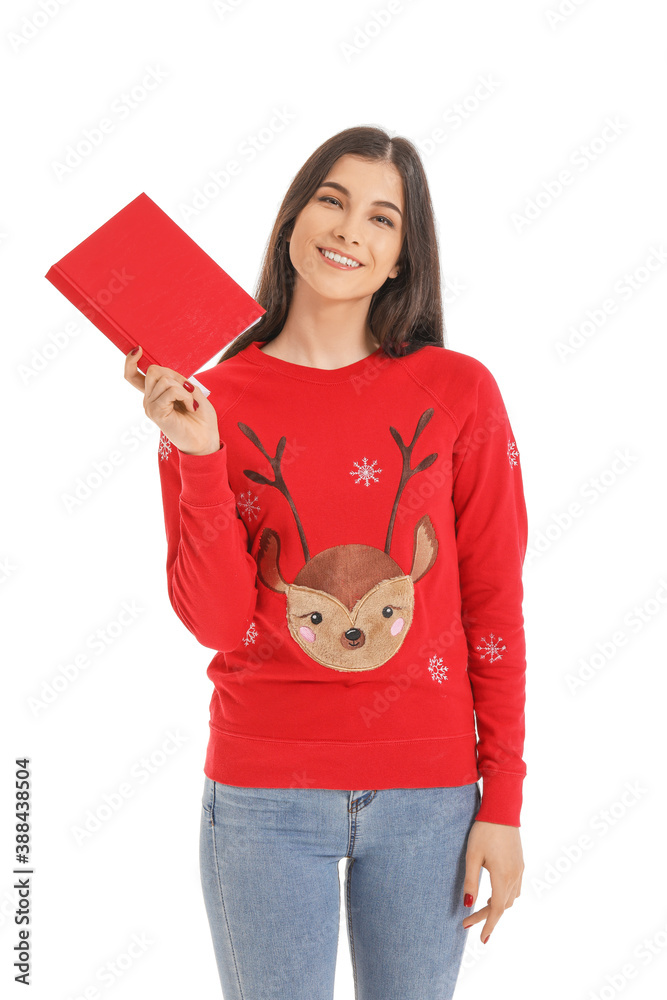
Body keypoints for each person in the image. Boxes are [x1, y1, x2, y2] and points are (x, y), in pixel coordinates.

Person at [125, 125, 527, 1000]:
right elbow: (217, 621)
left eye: (382, 219)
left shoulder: (459, 392)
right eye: (332, 201)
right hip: (264, 799)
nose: (350, 230)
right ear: (292, 220)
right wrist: (197, 452)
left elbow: (493, 605)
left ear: (398, 260)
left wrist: (502, 800)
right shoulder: (206, 401)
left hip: (431, 798)